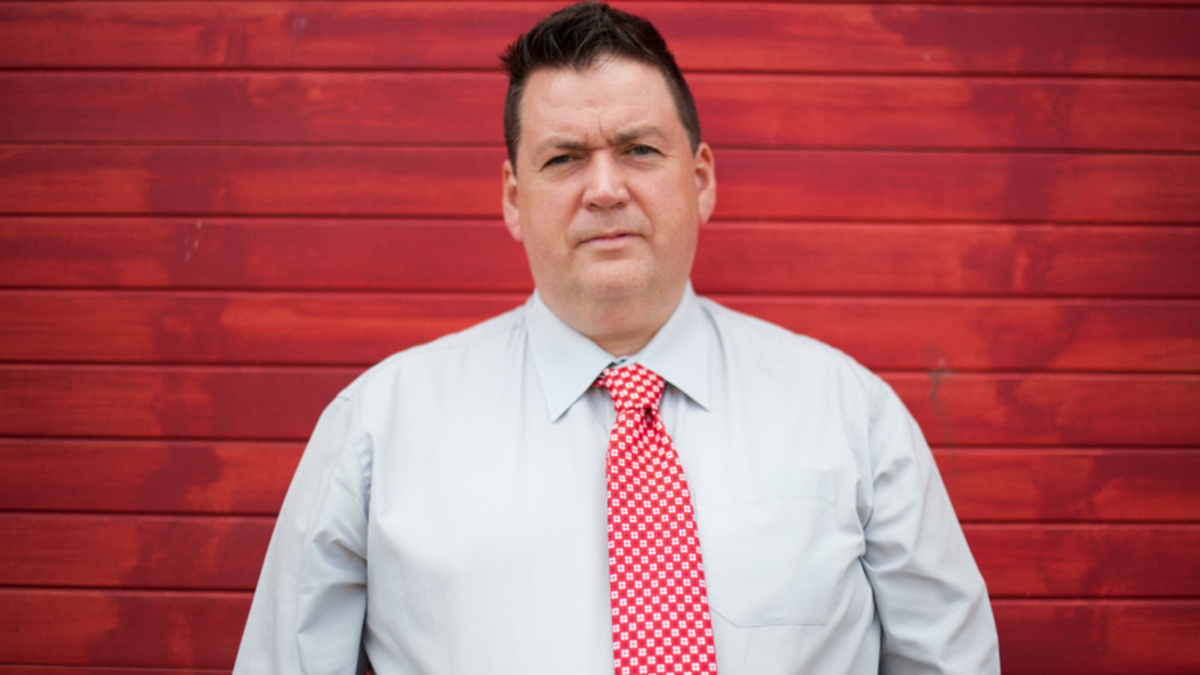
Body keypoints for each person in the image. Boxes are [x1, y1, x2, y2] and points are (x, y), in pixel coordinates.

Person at [233, 2, 1001, 673]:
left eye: (639, 149)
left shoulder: (850, 416)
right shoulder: (378, 429)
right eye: (564, 158)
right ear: (513, 198)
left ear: (700, 179)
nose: (604, 189)